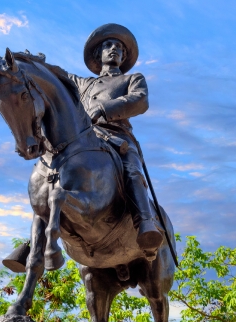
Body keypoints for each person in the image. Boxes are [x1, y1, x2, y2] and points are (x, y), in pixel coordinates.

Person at [68, 23, 163, 259]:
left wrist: (103, 109)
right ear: (98, 55)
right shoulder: (83, 83)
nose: (114, 49)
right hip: (84, 138)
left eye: (119, 47)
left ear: (124, 56)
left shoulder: (133, 78)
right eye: (108, 45)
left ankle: (146, 224)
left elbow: (140, 100)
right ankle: (35, 241)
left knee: (131, 169)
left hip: (117, 136)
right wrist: (27, 61)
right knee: (53, 168)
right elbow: (55, 75)